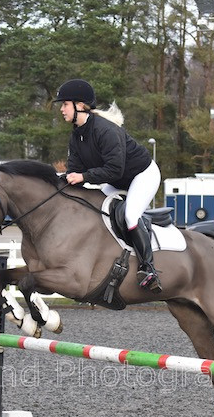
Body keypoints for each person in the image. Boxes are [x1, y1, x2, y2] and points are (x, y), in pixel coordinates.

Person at [55, 79, 162, 292]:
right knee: (96, 211)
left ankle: (149, 269)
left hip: (142, 175)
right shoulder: (77, 136)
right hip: (116, 180)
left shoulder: (106, 130)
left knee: (131, 215)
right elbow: (74, 172)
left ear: (80, 105)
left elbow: (114, 170)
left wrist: (83, 177)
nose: (61, 109)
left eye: (65, 104)